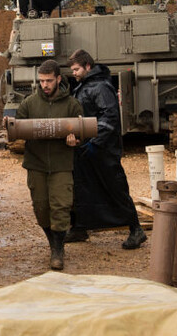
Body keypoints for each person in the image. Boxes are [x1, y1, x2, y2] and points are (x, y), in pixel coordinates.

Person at [66, 49, 147, 250]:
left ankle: (136, 230)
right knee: (82, 187)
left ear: (87, 66)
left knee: (114, 188)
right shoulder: (84, 86)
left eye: (76, 69)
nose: (74, 73)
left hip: (103, 149)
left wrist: (95, 143)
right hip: (86, 148)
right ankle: (80, 227)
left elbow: (109, 117)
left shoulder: (100, 87)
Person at [12, 59, 82, 270]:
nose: (45, 85)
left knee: (61, 207)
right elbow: (17, 128)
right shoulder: (29, 104)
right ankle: (52, 241)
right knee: (41, 207)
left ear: (58, 79)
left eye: (49, 81)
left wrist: (75, 139)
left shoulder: (72, 105)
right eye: (41, 81)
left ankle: (58, 248)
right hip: (37, 164)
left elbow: (82, 132)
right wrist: (13, 130)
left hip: (62, 164)